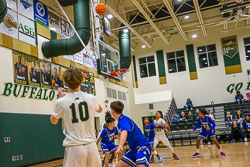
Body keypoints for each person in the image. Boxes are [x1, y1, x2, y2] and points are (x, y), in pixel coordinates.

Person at [50, 68, 103, 167]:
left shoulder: (61, 102)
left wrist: (62, 99)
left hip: (74, 148)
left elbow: (53, 121)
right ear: (81, 81)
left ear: (65, 83)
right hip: (91, 146)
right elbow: (100, 109)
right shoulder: (91, 98)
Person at [111, 101, 151, 167]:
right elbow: (125, 134)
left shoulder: (123, 120)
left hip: (142, 147)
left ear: (112, 111)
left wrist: (120, 145)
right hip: (133, 150)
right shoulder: (122, 120)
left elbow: (124, 132)